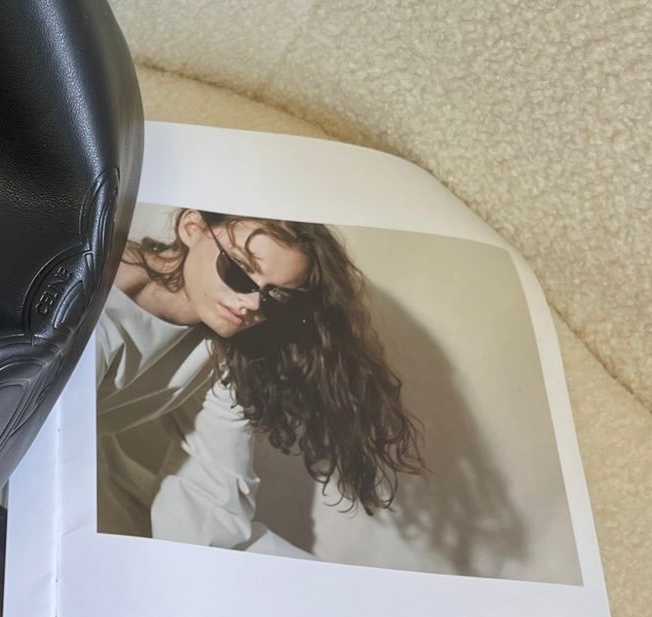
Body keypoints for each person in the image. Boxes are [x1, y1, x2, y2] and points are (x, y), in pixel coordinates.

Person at [95, 207, 424, 550]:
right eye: (239, 271)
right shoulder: (95, 296)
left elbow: (212, 490)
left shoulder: (226, 353)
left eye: (274, 297)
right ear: (192, 227)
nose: (252, 303)